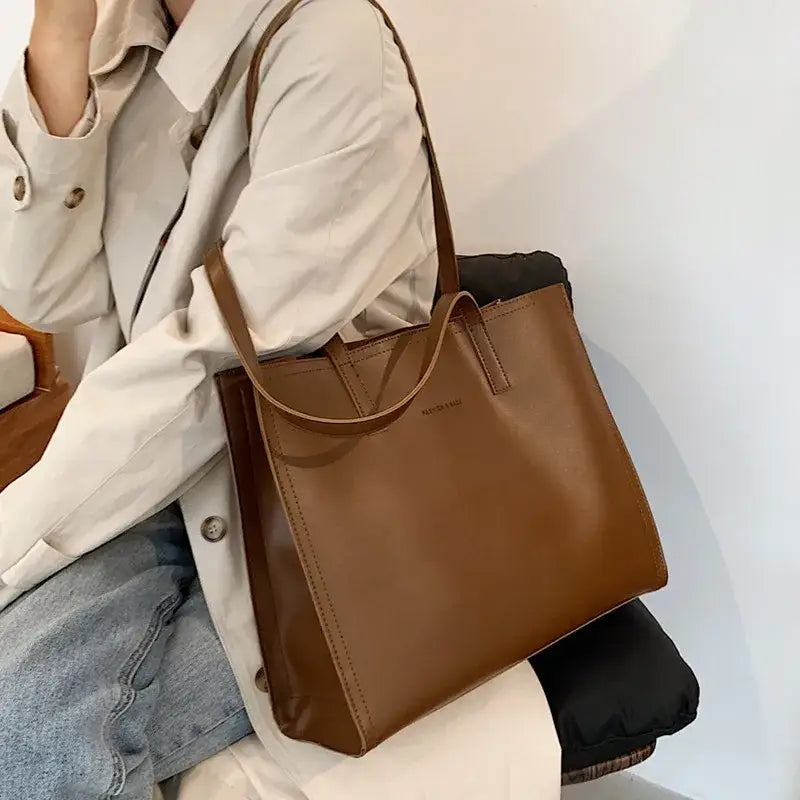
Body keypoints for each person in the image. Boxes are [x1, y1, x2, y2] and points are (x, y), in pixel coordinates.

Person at [0, 0, 561, 798]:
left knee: (22, 728)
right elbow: (45, 292)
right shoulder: (121, 35)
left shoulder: (335, 42)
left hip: (319, 503)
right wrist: (57, 39)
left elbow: (218, 358)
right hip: (157, 484)